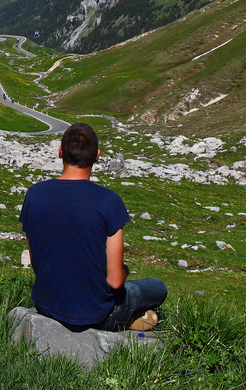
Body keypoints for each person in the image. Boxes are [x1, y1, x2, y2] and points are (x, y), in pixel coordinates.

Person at [19, 122, 167, 332]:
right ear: (97, 155)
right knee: (157, 287)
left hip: (46, 304)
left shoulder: (34, 194)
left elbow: (36, 262)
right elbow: (115, 281)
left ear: (60, 152)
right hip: (94, 313)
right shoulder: (109, 201)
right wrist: (125, 270)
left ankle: (132, 320)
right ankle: (126, 319)